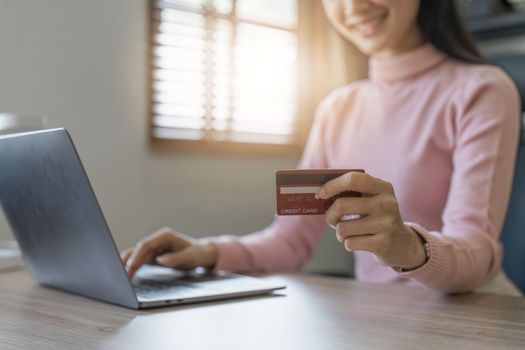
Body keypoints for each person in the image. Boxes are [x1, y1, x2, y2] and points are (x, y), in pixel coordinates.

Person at [122, 0, 522, 294]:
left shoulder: (482, 90)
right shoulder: (338, 107)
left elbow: (478, 251)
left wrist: (408, 246)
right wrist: (207, 251)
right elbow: (291, 241)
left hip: (474, 315)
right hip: (381, 317)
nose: (353, 6)